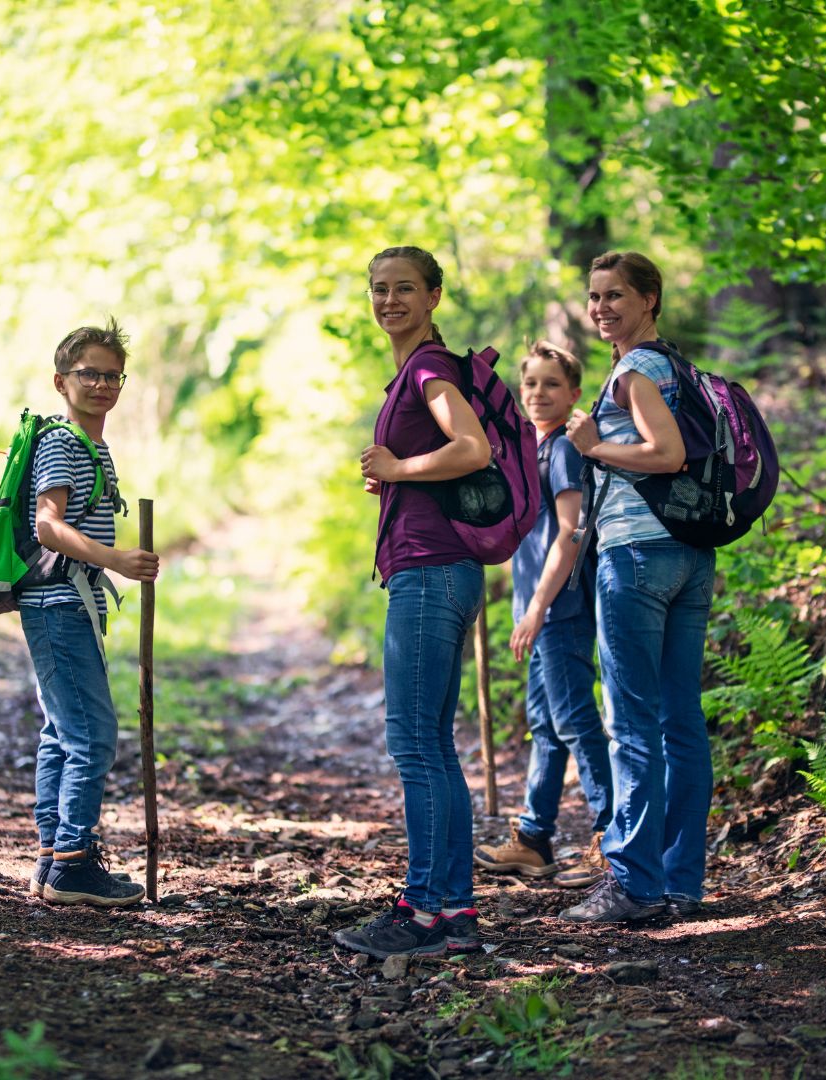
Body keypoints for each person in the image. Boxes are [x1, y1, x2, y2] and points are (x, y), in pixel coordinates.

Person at [333, 246, 491, 960]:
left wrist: (401, 467)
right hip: (436, 570)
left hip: (431, 573)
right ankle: (451, 908)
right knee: (432, 744)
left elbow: (473, 447)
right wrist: (400, 480)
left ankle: (424, 909)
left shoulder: (429, 369)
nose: (389, 300)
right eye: (379, 289)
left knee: (415, 743)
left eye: (404, 288)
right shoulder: (412, 371)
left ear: (433, 296)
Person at [559, 252, 715, 924]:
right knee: (681, 722)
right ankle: (681, 880)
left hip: (637, 554)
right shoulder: (678, 367)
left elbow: (668, 454)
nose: (601, 309)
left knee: (633, 724)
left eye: (615, 296)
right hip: (688, 553)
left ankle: (634, 883)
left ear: (649, 299)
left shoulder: (634, 371)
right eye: (594, 298)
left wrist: (593, 447)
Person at [22, 318, 159, 907]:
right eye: (89, 374)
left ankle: (55, 858)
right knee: (93, 736)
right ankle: (74, 865)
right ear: (61, 380)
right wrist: (117, 560)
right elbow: (47, 526)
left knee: (63, 733)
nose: (102, 385)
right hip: (57, 601)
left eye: (112, 375)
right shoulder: (63, 443)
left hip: (65, 603)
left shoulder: (91, 444)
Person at [473, 341, 612, 889]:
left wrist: (536, 608)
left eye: (552, 384)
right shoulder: (531, 450)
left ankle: (611, 839)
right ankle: (533, 840)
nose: (538, 393)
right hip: (537, 609)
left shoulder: (564, 453)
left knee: (577, 724)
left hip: (561, 608)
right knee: (546, 728)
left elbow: (571, 533)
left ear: (574, 393)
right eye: (530, 383)